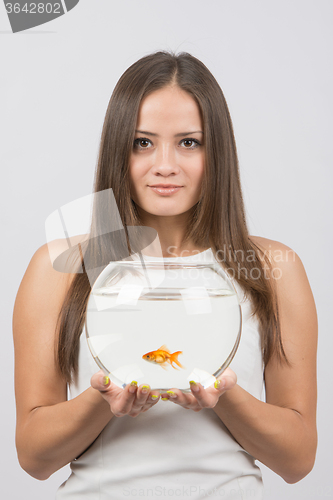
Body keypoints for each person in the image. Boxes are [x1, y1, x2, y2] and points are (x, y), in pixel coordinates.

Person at [13, 50, 318, 500]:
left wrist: (223, 394)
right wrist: (103, 399)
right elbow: (33, 458)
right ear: (119, 147)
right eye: (143, 142)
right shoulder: (59, 266)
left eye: (189, 142)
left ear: (218, 150)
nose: (165, 165)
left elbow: (298, 461)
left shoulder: (274, 270)